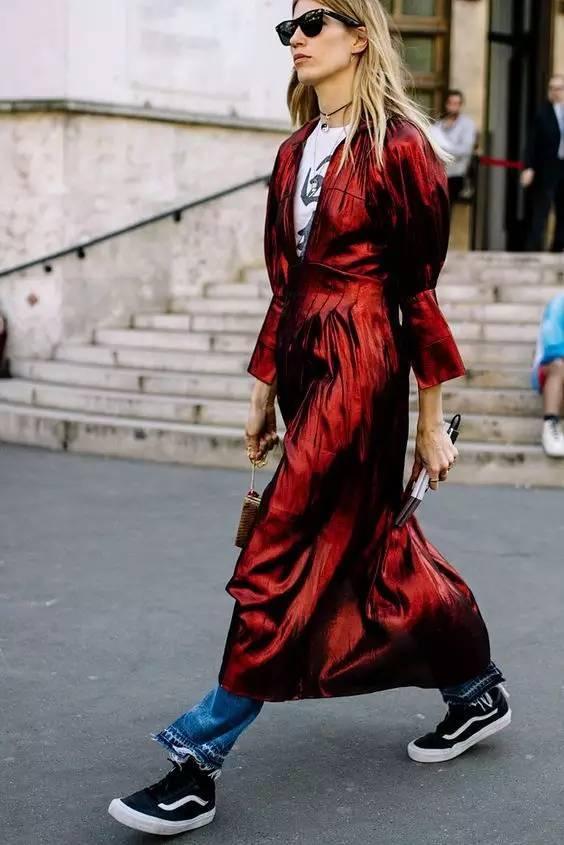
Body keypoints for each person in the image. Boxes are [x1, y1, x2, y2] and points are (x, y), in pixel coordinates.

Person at [108, 1, 510, 836]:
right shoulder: (293, 151)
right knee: (376, 547)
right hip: (302, 358)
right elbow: (284, 285)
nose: (296, 37)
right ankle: (474, 688)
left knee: (280, 546)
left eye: (315, 21)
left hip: (363, 365)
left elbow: (418, 292)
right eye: (288, 27)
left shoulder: (401, 147)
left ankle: (199, 755)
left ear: (361, 35)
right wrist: (263, 387)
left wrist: (429, 418)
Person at [521, 74, 564, 252]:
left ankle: (558, 248)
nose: (555, 92)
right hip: (546, 169)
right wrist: (528, 167)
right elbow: (532, 143)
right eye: (551, 88)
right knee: (541, 211)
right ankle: (532, 249)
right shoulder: (542, 113)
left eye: (558, 88)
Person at [429, 89, 477, 209]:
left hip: (456, 175)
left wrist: (443, 149)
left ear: (461, 105)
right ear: (446, 104)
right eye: (451, 103)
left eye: (457, 103)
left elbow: (465, 150)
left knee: (447, 208)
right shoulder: (438, 125)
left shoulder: (467, 124)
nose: (453, 107)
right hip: (437, 174)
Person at [532, 293, 564, 457]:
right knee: (559, 365)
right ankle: (551, 426)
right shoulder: (559, 304)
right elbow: (552, 346)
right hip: (551, 369)